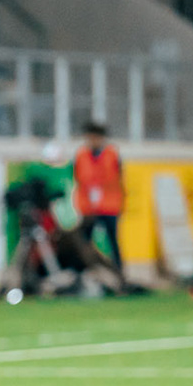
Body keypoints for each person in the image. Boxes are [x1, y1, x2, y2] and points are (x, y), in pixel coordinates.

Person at [73, 121, 127, 288]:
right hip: (88, 207)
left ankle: (120, 277)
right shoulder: (81, 155)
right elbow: (78, 178)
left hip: (109, 205)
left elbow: (119, 178)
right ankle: (84, 275)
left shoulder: (112, 154)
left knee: (113, 242)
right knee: (84, 243)